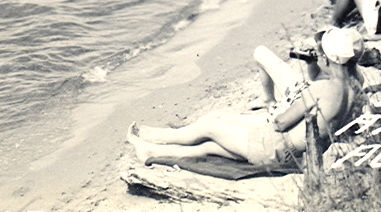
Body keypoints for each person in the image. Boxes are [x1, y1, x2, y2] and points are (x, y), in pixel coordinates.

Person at [127, 27, 363, 171]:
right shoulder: (355, 88)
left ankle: (156, 136)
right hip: (296, 154)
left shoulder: (323, 89)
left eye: (318, 54)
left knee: (210, 124)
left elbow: (281, 123)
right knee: (211, 147)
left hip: (274, 149)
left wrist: (276, 111)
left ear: (325, 58)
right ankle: (150, 152)